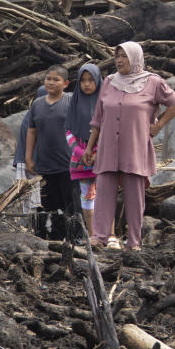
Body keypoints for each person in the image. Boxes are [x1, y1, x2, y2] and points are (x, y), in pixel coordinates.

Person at [84, 41, 175, 250]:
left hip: (135, 148)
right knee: (103, 191)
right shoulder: (109, 82)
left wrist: (159, 125)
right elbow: (97, 119)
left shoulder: (152, 82)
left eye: (124, 57)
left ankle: (134, 241)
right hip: (108, 147)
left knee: (134, 196)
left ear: (135, 58)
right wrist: (89, 148)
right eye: (117, 56)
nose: (119, 61)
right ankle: (99, 237)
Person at [25, 64, 77, 241]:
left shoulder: (71, 101)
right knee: (48, 204)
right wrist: (28, 156)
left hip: (68, 163)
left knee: (70, 203)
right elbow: (32, 131)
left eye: (56, 79)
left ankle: (74, 237)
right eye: (48, 78)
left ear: (66, 83)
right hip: (45, 163)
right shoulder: (37, 104)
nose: (51, 82)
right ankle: (54, 236)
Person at [65, 63, 102, 240]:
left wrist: (96, 152)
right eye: (83, 81)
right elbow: (68, 131)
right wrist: (82, 153)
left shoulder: (104, 102)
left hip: (103, 158)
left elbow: (109, 130)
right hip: (81, 161)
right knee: (87, 196)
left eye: (91, 80)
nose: (87, 84)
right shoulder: (75, 101)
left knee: (104, 195)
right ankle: (92, 234)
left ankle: (108, 234)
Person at [14, 86, 48, 227]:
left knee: (32, 200)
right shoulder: (34, 117)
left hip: (30, 162)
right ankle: (33, 227)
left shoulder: (32, 115)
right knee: (32, 201)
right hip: (31, 164)